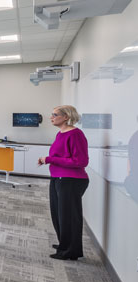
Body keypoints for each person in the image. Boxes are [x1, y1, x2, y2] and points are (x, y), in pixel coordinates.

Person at [38, 105, 89, 261]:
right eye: (51, 114)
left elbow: (81, 161)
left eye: (55, 114)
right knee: (58, 214)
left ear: (66, 116)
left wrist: (50, 159)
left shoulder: (75, 134)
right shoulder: (60, 134)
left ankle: (70, 251)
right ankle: (64, 244)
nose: (51, 117)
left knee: (69, 217)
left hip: (71, 181)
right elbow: (62, 156)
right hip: (58, 178)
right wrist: (47, 160)